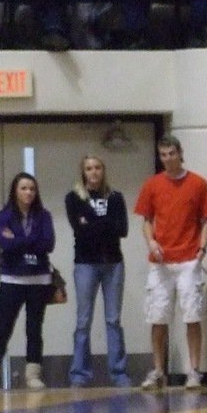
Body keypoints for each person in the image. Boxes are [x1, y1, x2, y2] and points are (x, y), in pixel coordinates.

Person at [134, 134, 207, 389]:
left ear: (180, 153)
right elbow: (146, 220)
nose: (168, 158)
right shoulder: (152, 185)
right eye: (163, 155)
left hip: (189, 259)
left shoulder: (198, 184)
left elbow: (206, 221)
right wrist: (152, 242)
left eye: (172, 153)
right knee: (158, 317)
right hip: (161, 262)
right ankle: (159, 370)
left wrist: (202, 250)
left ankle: (194, 370)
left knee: (192, 315)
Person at [0, 172, 56, 391]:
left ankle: (33, 375)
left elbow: (48, 244)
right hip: (12, 278)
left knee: (34, 329)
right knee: (3, 328)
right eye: (24, 188)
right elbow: (3, 243)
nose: (28, 192)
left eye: (32, 188)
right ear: (15, 191)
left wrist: (19, 240)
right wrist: (30, 241)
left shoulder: (44, 216)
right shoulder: (4, 215)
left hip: (39, 279)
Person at [65, 154, 130, 388]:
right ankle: (80, 373)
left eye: (98, 168)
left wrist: (91, 222)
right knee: (83, 320)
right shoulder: (73, 198)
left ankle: (118, 372)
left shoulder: (116, 197)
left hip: (113, 263)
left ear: (103, 171)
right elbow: (80, 230)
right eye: (89, 168)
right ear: (83, 172)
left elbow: (122, 229)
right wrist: (103, 225)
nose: (93, 172)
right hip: (85, 263)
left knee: (113, 319)